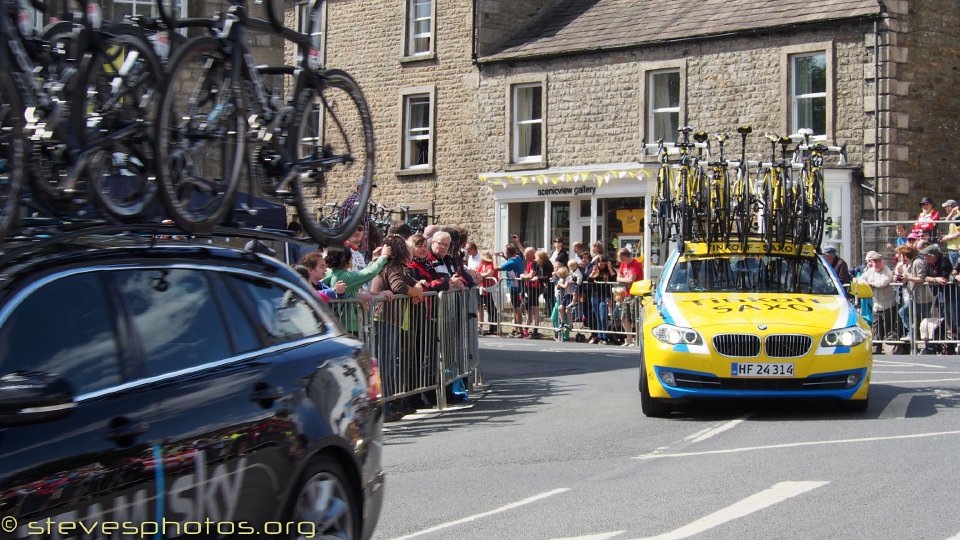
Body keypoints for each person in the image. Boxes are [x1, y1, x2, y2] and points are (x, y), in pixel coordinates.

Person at [370, 234, 425, 418]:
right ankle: (385, 409)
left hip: (389, 319)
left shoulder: (396, 267)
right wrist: (416, 292)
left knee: (388, 364)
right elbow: (400, 287)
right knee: (385, 365)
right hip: (385, 319)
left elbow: (408, 282)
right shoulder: (392, 267)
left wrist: (417, 288)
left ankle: (391, 405)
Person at [860, 250, 897, 353]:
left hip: (888, 304)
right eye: (874, 261)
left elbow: (884, 282)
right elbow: (861, 279)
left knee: (888, 327)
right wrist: (867, 283)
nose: (876, 264)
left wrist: (872, 284)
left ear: (882, 261)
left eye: (878, 261)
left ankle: (890, 349)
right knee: (876, 328)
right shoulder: (870, 271)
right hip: (876, 305)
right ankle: (876, 349)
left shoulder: (886, 271)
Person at [496, 243, 526, 337]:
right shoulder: (517, 258)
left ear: (508, 252)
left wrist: (494, 257)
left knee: (517, 310)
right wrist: (504, 257)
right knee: (516, 309)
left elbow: (496, 268)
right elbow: (510, 264)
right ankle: (515, 329)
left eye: (506, 252)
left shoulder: (512, 262)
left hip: (515, 287)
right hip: (517, 287)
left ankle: (520, 331)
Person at [616, 247, 643, 346]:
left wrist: (623, 280)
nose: (620, 261)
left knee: (635, 317)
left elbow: (631, 279)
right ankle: (629, 339)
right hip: (627, 294)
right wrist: (624, 280)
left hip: (636, 294)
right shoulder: (624, 264)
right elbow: (618, 277)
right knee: (624, 317)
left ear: (625, 256)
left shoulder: (637, 264)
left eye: (621, 258)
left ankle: (637, 339)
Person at [586, 255, 616, 344]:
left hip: (605, 295)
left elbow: (614, 278)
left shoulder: (608, 269)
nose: (602, 266)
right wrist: (593, 273)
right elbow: (588, 280)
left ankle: (605, 337)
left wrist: (610, 268)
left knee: (603, 316)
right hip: (595, 295)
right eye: (600, 264)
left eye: (604, 264)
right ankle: (600, 336)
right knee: (598, 317)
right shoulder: (594, 268)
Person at [477, 250, 499, 335]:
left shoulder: (490, 265)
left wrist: (481, 275)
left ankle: (494, 328)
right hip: (484, 289)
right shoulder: (482, 265)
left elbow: (490, 274)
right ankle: (491, 328)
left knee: (492, 309)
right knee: (489, 309)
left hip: (490, 289)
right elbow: (477, 272)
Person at [939, 199, 960, 267]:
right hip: (953, 248)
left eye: (946, 207)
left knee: (955, 271)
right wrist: (946, 236)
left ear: (950, 207)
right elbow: (946, 221)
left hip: (956, 248)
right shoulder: (954, 216)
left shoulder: (957, 216)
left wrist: (947, 237)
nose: (945, 209)